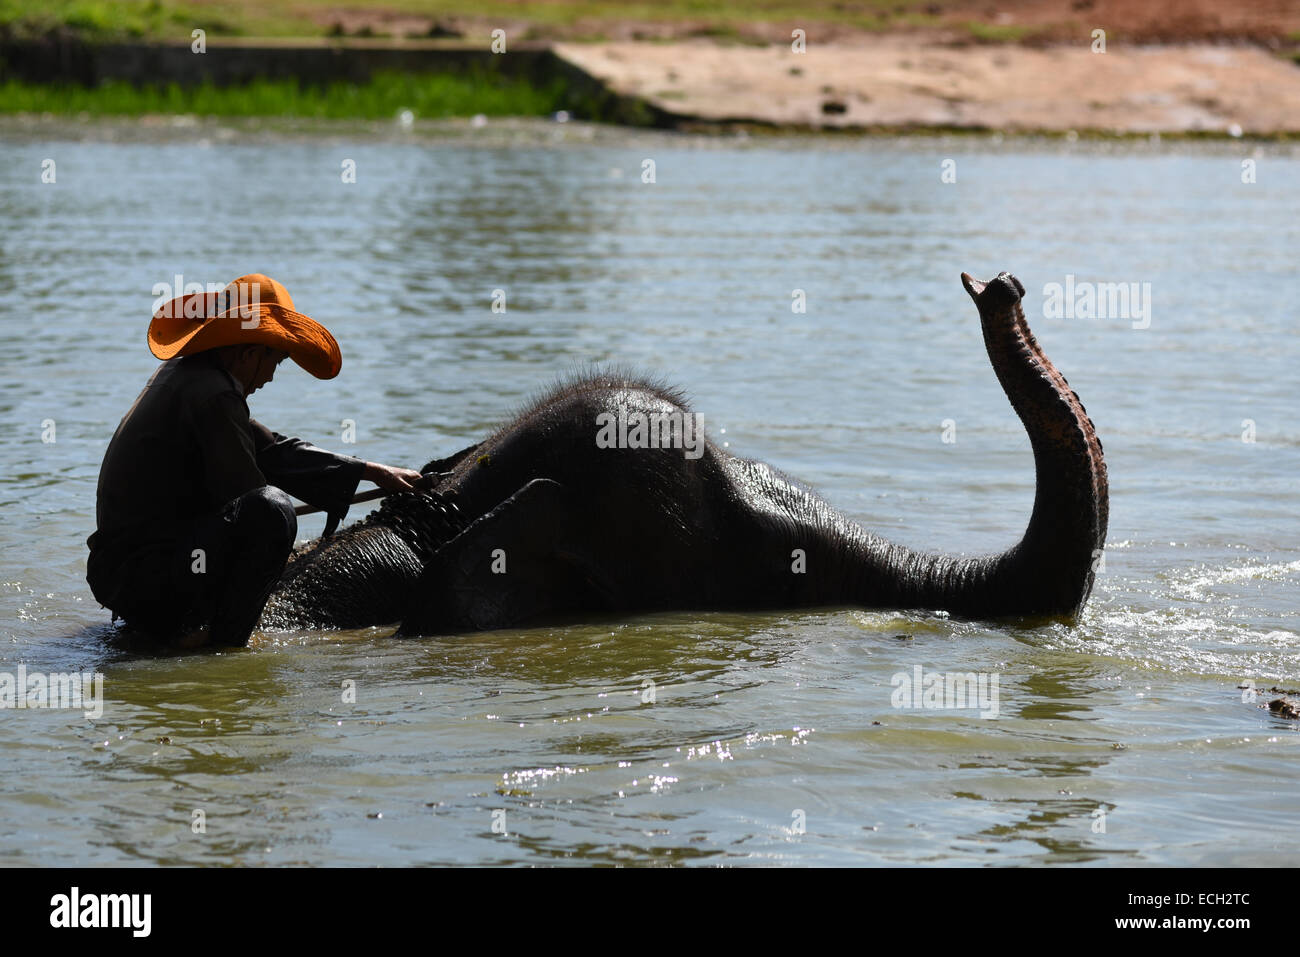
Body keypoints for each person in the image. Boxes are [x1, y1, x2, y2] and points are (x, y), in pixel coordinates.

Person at [86, 273, 422, 649]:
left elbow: (270, 449)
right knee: (272, 510)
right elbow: (250, 501)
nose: (271, 378)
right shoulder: (213, 394)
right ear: (250, 353)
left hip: (126, 571)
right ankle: (223, 645)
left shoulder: (192, 376)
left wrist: (368, 471)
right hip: (144, 578)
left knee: (268, 508)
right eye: (275, 361)